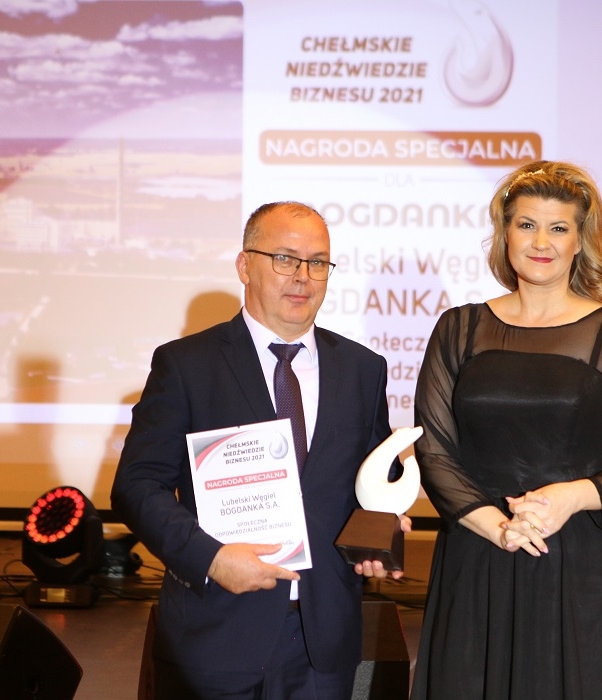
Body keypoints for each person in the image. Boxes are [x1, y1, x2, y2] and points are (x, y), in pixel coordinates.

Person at [111, 201, 407, 700]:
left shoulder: (363, 368)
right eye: (285, 258)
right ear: (245, 266)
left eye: (318, 262)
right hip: (216, 634)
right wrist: (211, 558)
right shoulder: (186, 365)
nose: (303, 276)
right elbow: (137, 487)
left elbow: (371, 484)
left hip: (324, 643)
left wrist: (382, 534)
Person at [410, 161, 602, 699]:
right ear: (505, 233)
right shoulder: (458, 328)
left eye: (558, 228)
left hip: (586, 562)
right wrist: (496, 525)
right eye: (527, 225)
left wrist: (569, 498)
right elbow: (433, 450)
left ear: (580, 240)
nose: (541, 242)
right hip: (480, 554)